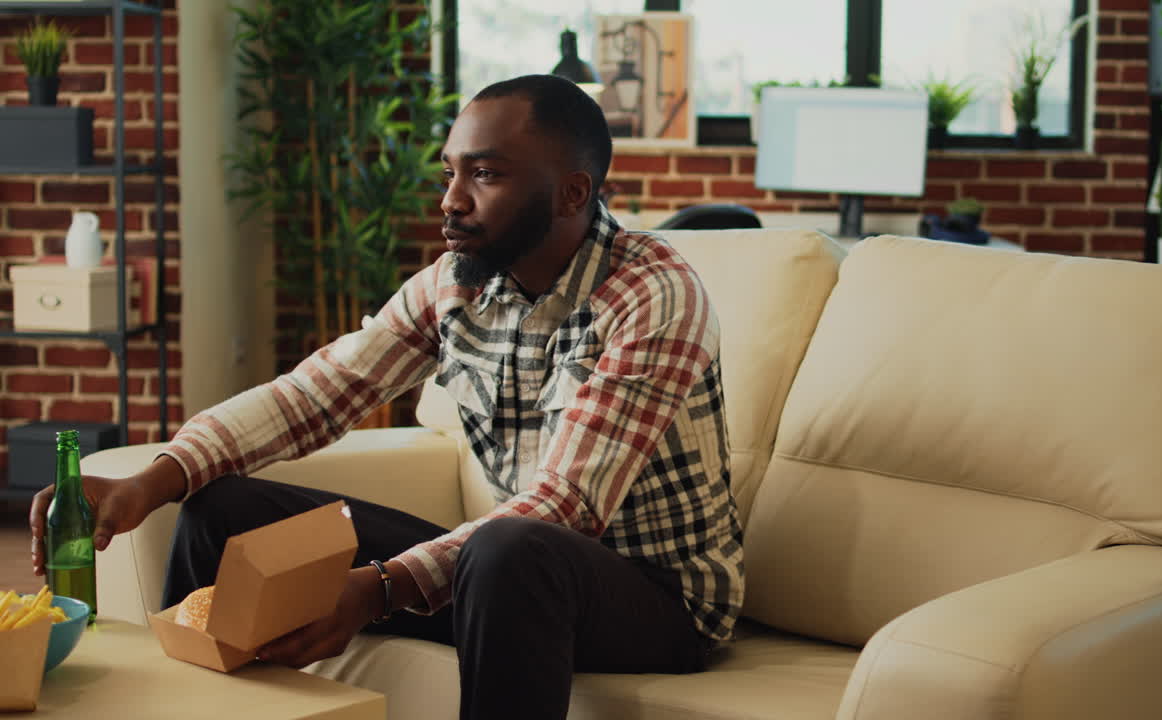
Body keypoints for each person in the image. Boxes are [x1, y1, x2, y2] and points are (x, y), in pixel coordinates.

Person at [29, 74, 743, 720]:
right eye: (452, 172)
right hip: (505, 571)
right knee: (225, 510)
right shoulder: (457, 281)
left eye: (485, 175)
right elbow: (316, 394)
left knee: (512, 547)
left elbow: (564, 507)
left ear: (573, 193)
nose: (451, 200)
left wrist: (377, 588)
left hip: (657, 601)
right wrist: (154, 478)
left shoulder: (654, 296)